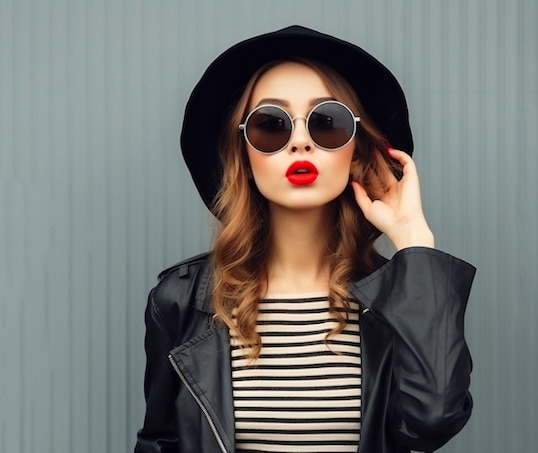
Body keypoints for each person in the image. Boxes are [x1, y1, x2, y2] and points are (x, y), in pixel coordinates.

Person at [135, 25, 476, 453]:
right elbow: (159, 443)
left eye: (327, 123)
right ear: (242, 152)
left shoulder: (400, 301)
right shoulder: (180, 302)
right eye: (271, 125)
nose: (299, 142)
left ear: (358, 149)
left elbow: (433, 422)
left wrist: (413, 242)